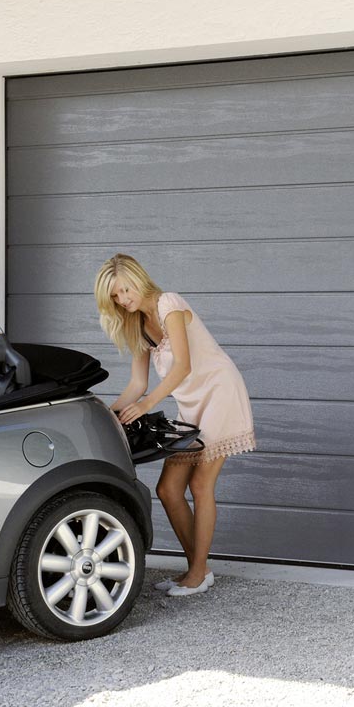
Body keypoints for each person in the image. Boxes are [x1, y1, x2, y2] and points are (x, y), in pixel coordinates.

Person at [94, 254, 256, 596]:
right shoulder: (136, 323)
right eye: (115, 297)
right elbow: (137, 384)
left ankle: (197, 574)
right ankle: (198, 569)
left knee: (200, 485)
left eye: (125, 290)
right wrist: (104, 414)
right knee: (168, 489)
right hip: (191, 405)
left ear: (139, 278)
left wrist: (147, 405)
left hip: (219, 393)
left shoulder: (169, 303)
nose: (123, 299)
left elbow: (182, 365)